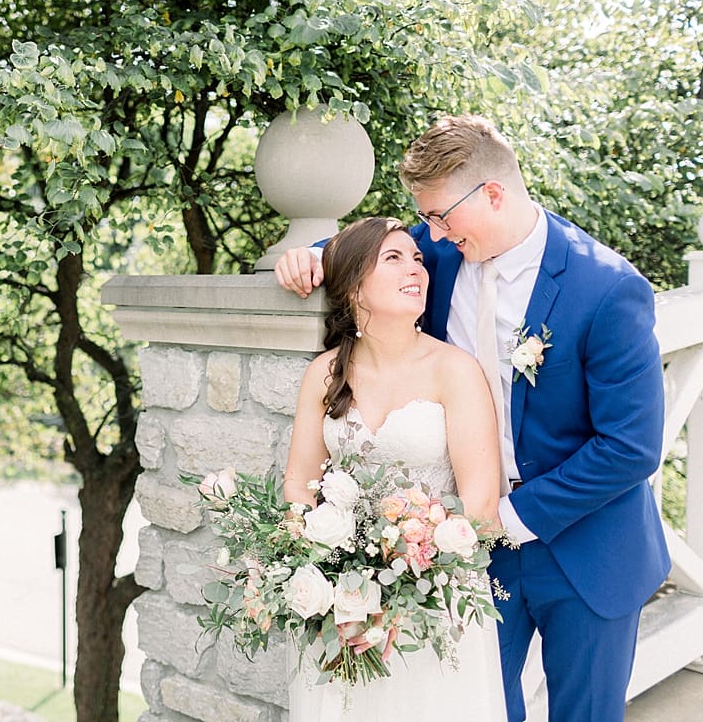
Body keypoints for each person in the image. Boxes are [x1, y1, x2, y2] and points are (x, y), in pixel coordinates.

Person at [276, 114, 670, 722]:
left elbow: (631, 447)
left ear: (492, 193)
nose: (429, 233)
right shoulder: (445, 248)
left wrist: (505, 518)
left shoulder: (608, 287)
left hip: (587, 546)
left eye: (438, 217)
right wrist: (314, 255)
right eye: (425, 220)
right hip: (465, 551)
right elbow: (374, 259)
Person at [283, 216, 507, 721]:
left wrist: (400, 591)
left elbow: (480, 504)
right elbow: (299, 483)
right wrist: (325, 574)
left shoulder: (455, 370)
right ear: (353, 285)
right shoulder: (325, 372)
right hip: (341, 605)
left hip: (436, 596)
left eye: (418, 258)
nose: (417, 270)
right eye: (394, 258)